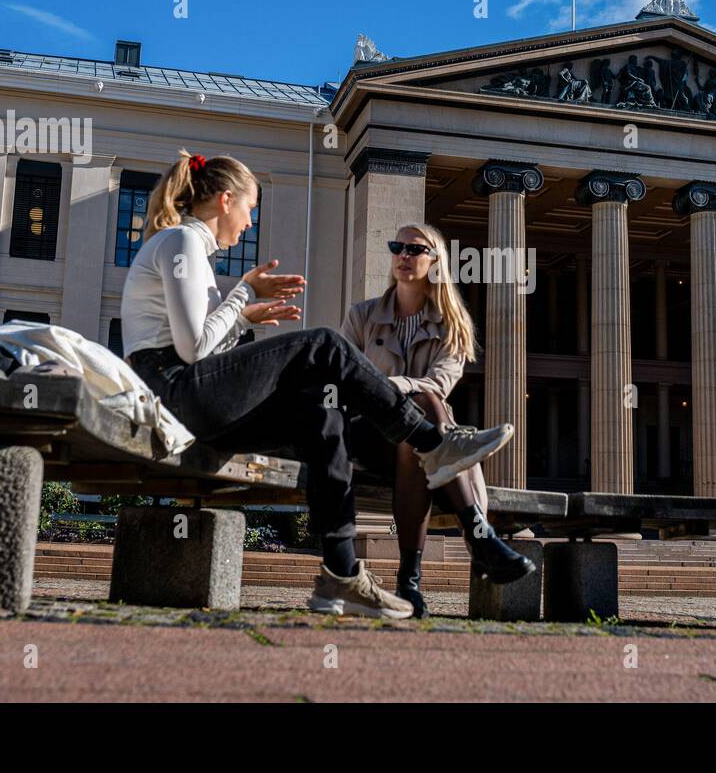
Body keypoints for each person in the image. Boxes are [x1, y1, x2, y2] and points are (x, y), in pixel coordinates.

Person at [121, 150, 516, 619]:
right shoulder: (182, 241)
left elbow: (203, 347)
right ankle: (431, 441)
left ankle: (341, 573)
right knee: (325, 345)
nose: (249, 223)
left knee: (320, 413)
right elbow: (192, 350)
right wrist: (244, 296)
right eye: (251, 209)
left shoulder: (190, 249)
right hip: (176, 391)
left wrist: (242, 318)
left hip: (194, 396)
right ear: (226, 200)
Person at [341, 223, 534, 617]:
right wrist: (394, 389)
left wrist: (392, 384)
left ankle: (409, 585)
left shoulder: (452, 325)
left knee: (423, 420)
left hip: (418, 442)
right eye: (397, 247)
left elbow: (440, 383)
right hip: (367, 436)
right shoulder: (362, 316)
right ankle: (479, 537)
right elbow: (346, 381)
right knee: (426, 411)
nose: (403, 255)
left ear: (435, 262)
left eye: (415, 249)